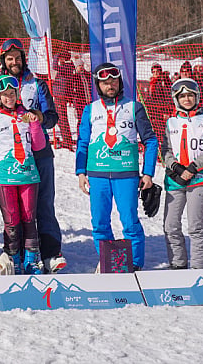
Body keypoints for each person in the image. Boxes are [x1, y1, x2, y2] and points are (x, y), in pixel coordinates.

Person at [0, 39, 65, 273]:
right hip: (8, 158)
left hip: (39, 153)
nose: (14, 62)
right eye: (9, 58)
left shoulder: (37, 84)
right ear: (3, 61)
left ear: (23, 59)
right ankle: (16, 253)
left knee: (43, 205)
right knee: (15, 211)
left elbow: (52, 116)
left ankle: (49, 253)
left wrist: (38, 116)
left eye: (17, 57)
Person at [75, 63, 158, 271]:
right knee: (100, 223)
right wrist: (80, 172)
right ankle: (109, 260)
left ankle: (135, 263)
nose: (109, 84)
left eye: (113, 80)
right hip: (97, 174)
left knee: (130, 222)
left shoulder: (133, 106)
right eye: (104, 82)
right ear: (98, 85)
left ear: (119, 82)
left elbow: (151, 140)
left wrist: (148, 173)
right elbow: (83, 143)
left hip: (126, 174)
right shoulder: (90, 109)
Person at [0, 75, 47, 275]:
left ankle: (31, 259)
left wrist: (35, 124)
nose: (9, 98)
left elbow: (39, 145)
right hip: (4, 176)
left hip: (27, 175)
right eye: (4, 95)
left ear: (17, 94)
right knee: (11, 220)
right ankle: (12, 256)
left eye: (12, 93)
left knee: (29, 217)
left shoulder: (27, 116)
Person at [162, 78, 203, 270]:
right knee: (170, 226)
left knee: (195, 226)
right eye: (182, 96)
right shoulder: (171, 122)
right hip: (176, 179)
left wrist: (193, 167)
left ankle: (199, 270)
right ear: (176, 98)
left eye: (190, 95)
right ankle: (178, 266)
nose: (186, 99)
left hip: (200, 178)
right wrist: (177, 168)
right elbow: (166, 150)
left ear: (196, 97)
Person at [52, 49, 78, 150]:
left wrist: (56, 56)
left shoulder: (67, 67)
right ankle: (67, 138)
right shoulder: (66, 67)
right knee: (59, 118)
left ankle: (67, 140)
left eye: (62, 58)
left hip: (61, 96)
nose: (60, 60)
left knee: (61, 118)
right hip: (58, 96)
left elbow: (54, 66)